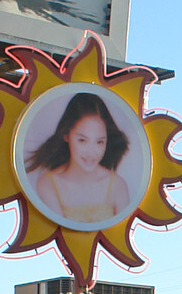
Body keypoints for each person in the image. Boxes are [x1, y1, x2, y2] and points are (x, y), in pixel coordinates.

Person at [25, 92, 132, 226]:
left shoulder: (117, 185)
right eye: (82, 140)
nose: (91, 152)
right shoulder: (48, 184)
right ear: (66, 135)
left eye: (99, 142)